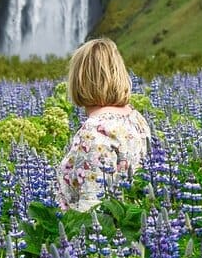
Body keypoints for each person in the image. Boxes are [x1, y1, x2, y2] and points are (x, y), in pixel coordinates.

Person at [56, 38, 151, 212]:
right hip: (136, 224)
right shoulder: (137, 119)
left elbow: (91, 206)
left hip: (97, 231)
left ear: (80, 81)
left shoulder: (94, 132)